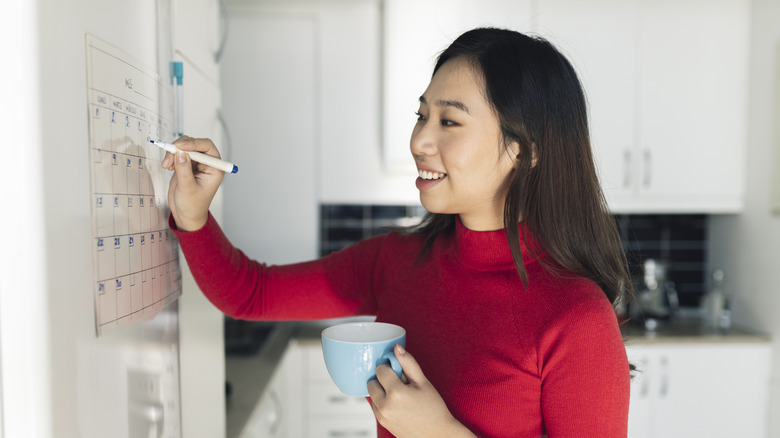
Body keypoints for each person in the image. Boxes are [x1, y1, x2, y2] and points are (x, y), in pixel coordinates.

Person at [163, 27, 632, 438]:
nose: (419, 142)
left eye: (449, 121)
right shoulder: (398, 260)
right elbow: (250, 293)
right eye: (422, 115)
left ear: (526, 150)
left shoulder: (577, 320)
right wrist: (192, 215)